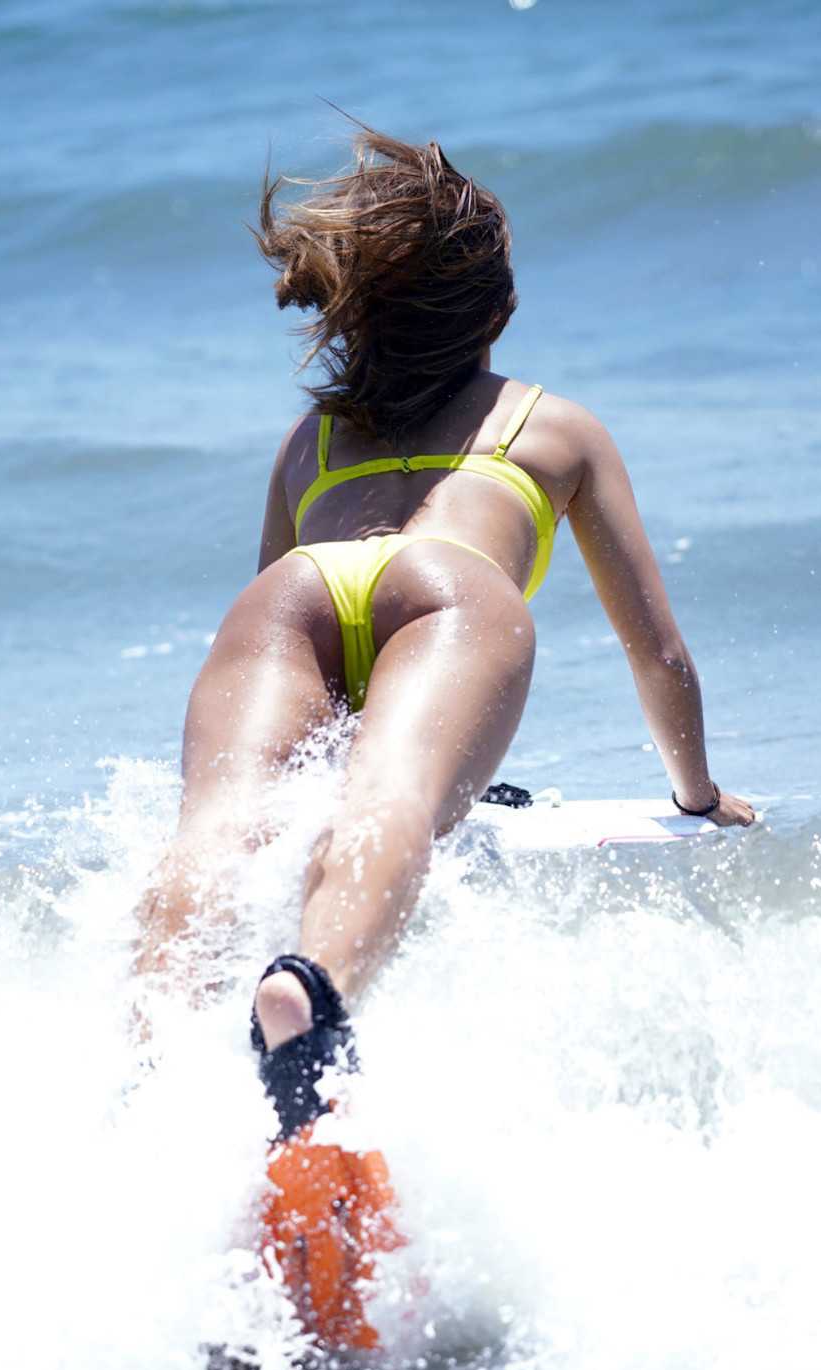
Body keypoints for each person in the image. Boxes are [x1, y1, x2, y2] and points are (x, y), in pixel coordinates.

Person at [134, 128, 753, 1164]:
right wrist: (697, 793)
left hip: (294, 594)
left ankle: (149, 1063)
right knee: (394, 802)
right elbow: (660, 657)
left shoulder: (307, 441)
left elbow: (324, 685)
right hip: (448, 587)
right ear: (495, 312)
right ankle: (309, 1002)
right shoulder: (553, 427)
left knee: (218, 825)